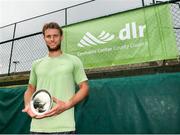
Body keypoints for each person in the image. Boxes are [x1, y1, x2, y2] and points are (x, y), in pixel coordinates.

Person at [22, 22, 89, 134]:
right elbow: (30, 89)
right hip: (37, 127)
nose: (52, 39)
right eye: (48, 36)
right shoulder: (36, 64)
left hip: (64, 127)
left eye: (55, 36)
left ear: (61, 37)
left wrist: (66, 105)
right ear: (44, 38)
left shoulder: (74, 60)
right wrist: (28, 105)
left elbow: (85, 88)